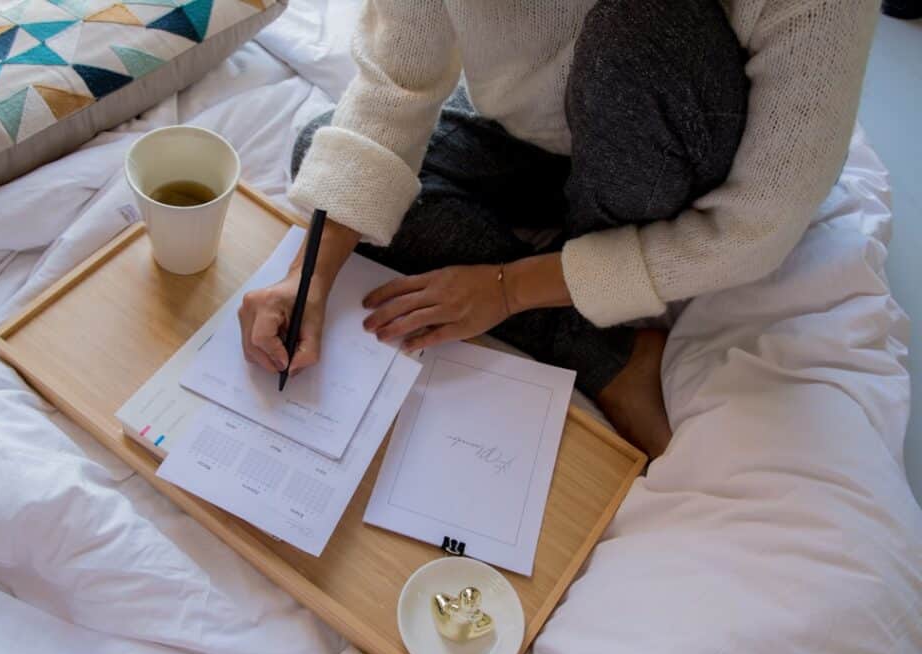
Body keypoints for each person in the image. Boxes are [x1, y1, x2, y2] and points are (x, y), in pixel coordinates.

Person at [239, 0, 879, 457]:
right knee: (326, 158)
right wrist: (309, 278)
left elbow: (755, 230)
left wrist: (508, 288)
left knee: (644, 28)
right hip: (539, 136)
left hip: (675, 151)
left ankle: (611, 341)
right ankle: (605, 348)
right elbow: (395, 87)